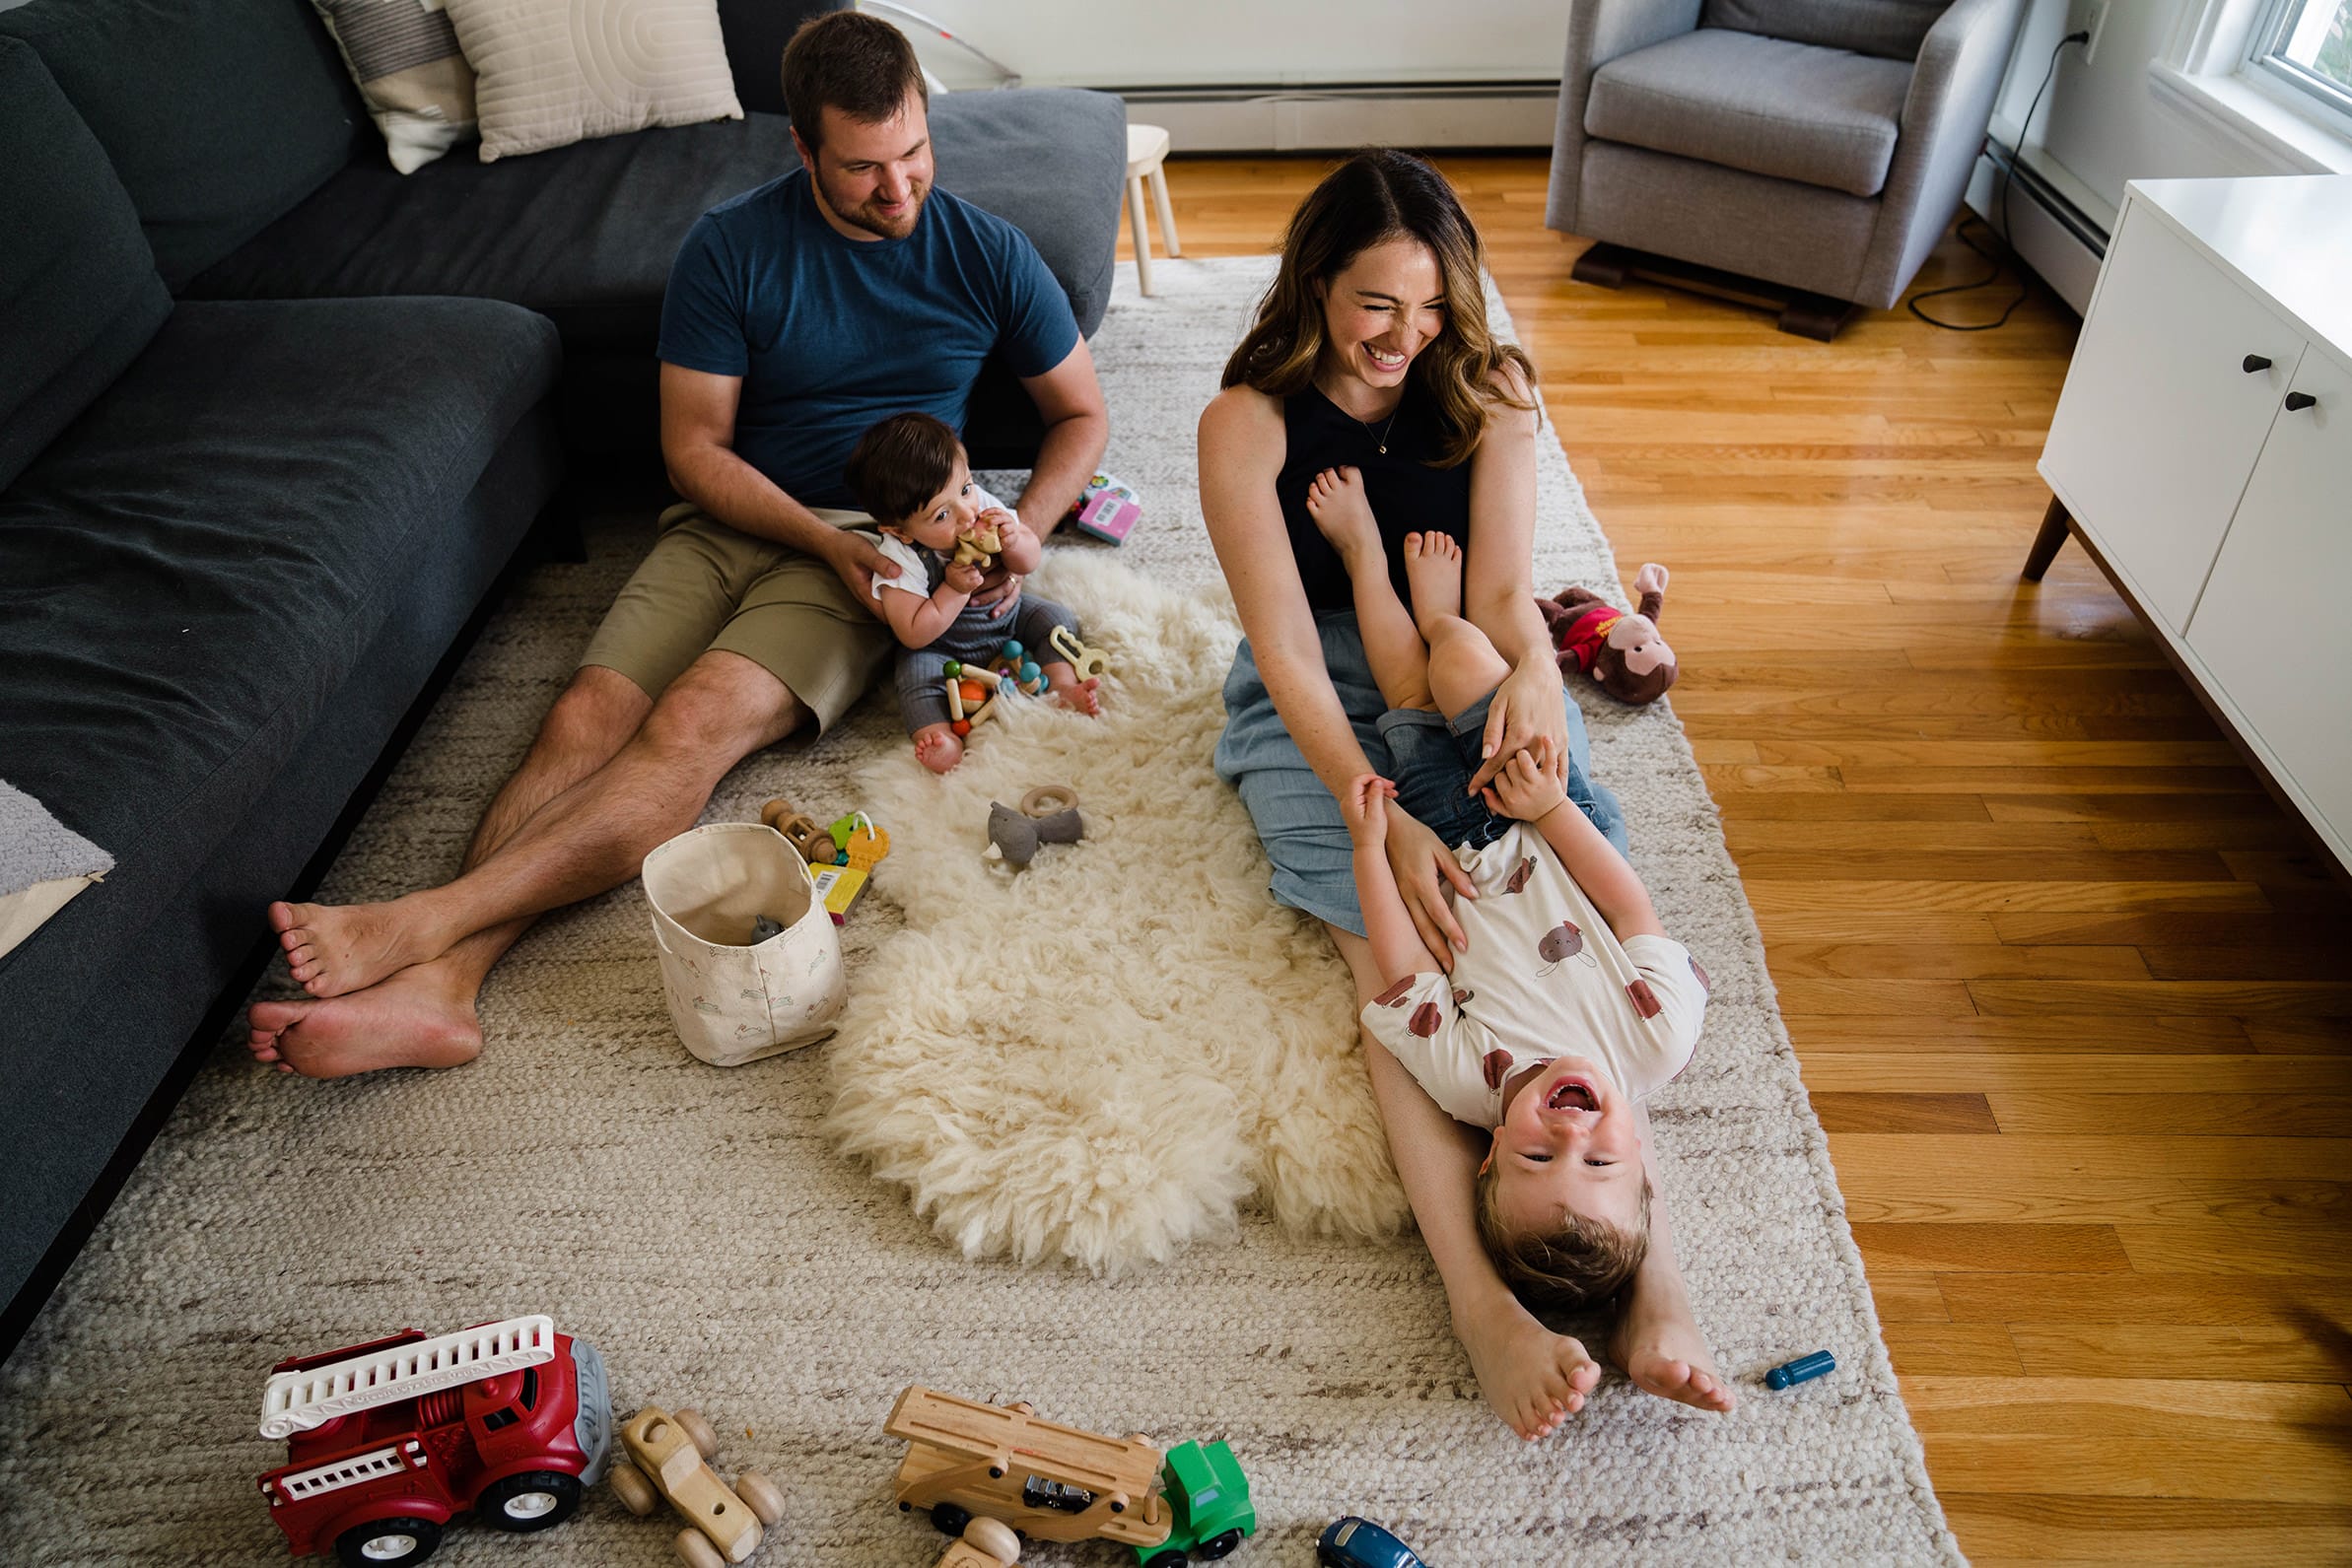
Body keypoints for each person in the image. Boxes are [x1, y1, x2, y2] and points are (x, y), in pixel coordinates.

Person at [245, 11, 1106, 1077]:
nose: (898, 189)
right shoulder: (731, 246)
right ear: (800, 148)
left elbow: (1080, 415)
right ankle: (443, 992)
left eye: (913, 153)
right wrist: (801, 533)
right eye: (862, 168)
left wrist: (1022, 522)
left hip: (874, 547)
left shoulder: (986, 251)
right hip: (735, 516)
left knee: (691, 723)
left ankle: (423, 927)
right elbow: (694, 449)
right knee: (584, 715)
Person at [1198, 150, 1725, 1439]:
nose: (1405, 336)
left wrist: (1534, 681)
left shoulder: (1491, 390)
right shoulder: (1246, 422)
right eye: (1378, 303)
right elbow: (1278, 649)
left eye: (1431, 308)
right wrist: (1386, 813)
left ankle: (1649, 1272)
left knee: (1577, 955)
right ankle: (1480, 1300)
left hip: (1465, 643)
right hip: (1317, 679)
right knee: (1396, 956)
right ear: (1317, 284)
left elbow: (1501, 598)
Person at [1318, 508, 1714, 1397]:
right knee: (1457, 651)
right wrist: (1548, 810)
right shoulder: (1654, 1042)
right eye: (1601, 1158)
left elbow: (1405, 970)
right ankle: (1439, 610)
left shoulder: (1471, 1081)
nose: (1572, 1131)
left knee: (1408, 692)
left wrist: (1370, 850)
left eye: (1541, 1157)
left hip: (1452, 840)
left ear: (1491, 1153)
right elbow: (1629, 902)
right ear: (1642, 1165)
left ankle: (1365, 560)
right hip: (1553, 819)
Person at [842, 412, 1101, 775]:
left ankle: (1060, 685)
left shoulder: (980, 504)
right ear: (899, 531)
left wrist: (1016, 539)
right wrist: (953, 589)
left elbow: (1028, 563)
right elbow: (913, 632)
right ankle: (939, 735)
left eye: (964, 489)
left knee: (1055, 619)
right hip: (943, 648)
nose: (967, 515)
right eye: (941, 515)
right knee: (914, 675)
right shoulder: (901, 557)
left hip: (1006, 616)